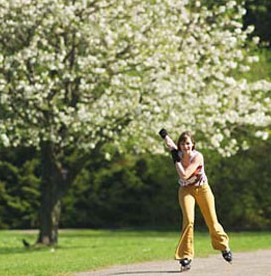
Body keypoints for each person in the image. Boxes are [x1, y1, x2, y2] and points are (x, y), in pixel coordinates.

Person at [159, 129, 232, 271]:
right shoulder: (178, 153)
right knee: (188, 221)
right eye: (182, 144)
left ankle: (224, 246)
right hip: (186, 191)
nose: (185, 146)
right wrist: (164, 135)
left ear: (193, 144)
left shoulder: (197, 157)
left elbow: (185, 175)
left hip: (203, 189)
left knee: (212, 221)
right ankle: (186, 256)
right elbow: (170, 144)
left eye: (188, 143)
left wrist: (175, 159)